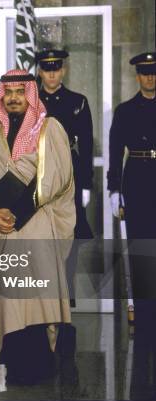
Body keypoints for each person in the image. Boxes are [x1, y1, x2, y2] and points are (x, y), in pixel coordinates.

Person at [0, 69, 76, 385]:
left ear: (30, 95)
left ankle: (47, 365)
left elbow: (56, 177)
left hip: (39, 225)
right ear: (1, 96)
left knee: (41, 297)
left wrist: (15, 212)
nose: (14, 98)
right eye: (9, 93)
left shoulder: (50, 129)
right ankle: (16, 366)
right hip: (4, 231)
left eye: (20, 92)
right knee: (12, 301)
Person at [36, 48, 94, 309]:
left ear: (63, 70)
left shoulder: (77, 101)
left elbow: (86, 146)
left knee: (69, 236)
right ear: (39, 71)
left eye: (56, 68)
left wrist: (86, 183)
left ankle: (66, 299)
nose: (52, 74)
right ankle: (42, 298)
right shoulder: (31, 101)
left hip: (69, 174)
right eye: (47, 69)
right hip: (37, 173)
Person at [108, 51, 156, 327]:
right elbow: (115, 152)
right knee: (141, 251)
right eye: (145, 72)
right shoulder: (125, 110)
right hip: (137, 181)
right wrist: (114, 189)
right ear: (137, 76)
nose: (150, 77)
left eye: (153, 72)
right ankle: (145, 312)